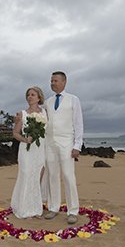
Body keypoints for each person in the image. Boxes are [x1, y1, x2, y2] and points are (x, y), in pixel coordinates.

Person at [43, 71, 83, 224]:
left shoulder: (73, 99)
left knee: (68, 176)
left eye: (55, 81)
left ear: (64, 82)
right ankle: (53, 207)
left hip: (66, 143)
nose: (52, 83)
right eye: (51, 81)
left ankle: (73, 211)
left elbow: (78, 124)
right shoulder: (48, 102)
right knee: (52, 175)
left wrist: (77, 145)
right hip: (50, 143)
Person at [10, 86, 48, 220]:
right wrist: (26, 139)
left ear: (39, 97)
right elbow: (15, 133)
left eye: (32, 95)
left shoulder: (45, 112)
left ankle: (36, 209)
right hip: (26, 150)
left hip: (40, 150)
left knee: (37, 178)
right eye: (28, 95)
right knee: (26, 176)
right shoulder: (22, 114)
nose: (30, 97)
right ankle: (24, 210)